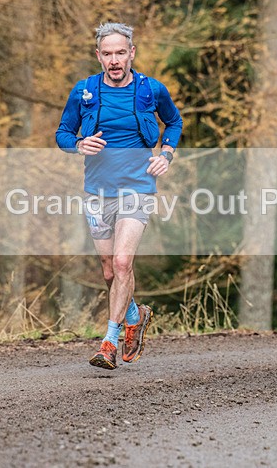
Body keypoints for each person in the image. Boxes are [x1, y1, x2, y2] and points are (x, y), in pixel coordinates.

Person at [56, 22, 183, 370]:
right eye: (107, 53)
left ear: (132, 53)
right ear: (98, 56)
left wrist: (166, 154)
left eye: (120, 52)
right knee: (110, 271)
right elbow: (63, 133)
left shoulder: (151, 90)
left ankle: (109, 342)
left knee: (124, 263)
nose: (114, 60)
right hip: (97, 191)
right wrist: (79, 144)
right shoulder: (83, 92)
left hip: (138, 188)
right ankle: (135, 314)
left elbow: (174, 123)